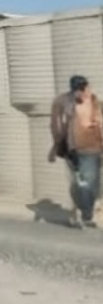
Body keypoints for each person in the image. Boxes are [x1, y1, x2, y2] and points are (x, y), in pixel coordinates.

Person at [50, 74, 103, 229]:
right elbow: (56, 125)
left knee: (91, 183)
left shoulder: (94, 101)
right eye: (77, 89)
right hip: (73, 148)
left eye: (83, 88)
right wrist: (58, 146)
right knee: (80, 182)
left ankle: (84, 213)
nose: (81, 92)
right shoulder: (62, 102)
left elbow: (100, 123)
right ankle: (82, 214)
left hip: (93, 147)